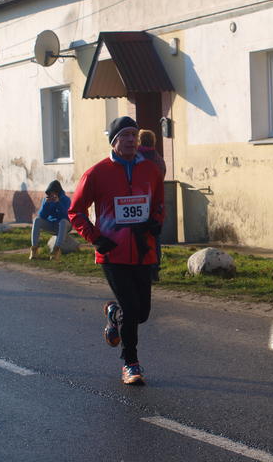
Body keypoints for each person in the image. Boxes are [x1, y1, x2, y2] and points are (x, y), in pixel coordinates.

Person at [69, 116, 165, 385]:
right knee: (132, 309)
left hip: (144, 250)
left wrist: (156, 222)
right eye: (125, 136)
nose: (132, 140)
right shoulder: (96, 173)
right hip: (112, 252)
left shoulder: (150, 170)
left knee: (142, 313)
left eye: (134, 135)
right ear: (113, 142)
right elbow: (76, 211)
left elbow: (159, 203)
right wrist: (96, 238)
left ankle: (114, 313)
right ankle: (130, 364)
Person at [138, 129, 166, 282]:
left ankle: (142, 266)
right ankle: (155, 268)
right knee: (155, 236)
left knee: (139, 235)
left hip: (139, 201)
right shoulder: (158, 159)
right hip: (156, 201)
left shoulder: (136, 157)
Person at [29, 180, 71, 261]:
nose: (52, 195)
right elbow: (42, 216)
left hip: (64, 226)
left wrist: (58, 203)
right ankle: (34, 249)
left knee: (63, 221)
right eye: (50, 193)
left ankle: (56, 250)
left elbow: (66, 216)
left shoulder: (66, 200)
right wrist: (46, 204)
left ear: (57, 192)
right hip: (51, 225)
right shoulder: (46, 199)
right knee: (37, 220)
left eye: (53, 193)